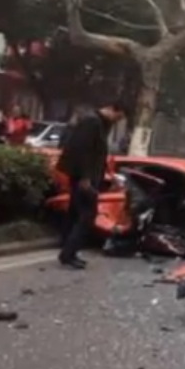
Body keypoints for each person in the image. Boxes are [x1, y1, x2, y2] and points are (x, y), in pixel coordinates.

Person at [56, 101, 126, 269]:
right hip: (84, 178)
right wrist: (85, 178)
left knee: (75, 212)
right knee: (88, 214)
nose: (117, 121)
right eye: (118, 117)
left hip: (87, 176)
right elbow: (83, 151)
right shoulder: (92, 122)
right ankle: (68, 253)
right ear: (112, 109)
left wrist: (109, 175)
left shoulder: (101, 123)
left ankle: (67, 248)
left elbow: (98, 154)